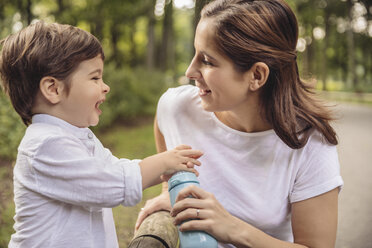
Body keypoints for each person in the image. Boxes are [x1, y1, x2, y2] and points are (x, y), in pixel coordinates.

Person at [135, 0, 344, 247]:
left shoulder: (310, 144)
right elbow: (163, 124)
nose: (190, 71)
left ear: (256, 75)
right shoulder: (176, 107)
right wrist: (168, 190)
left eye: (207, 61)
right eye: (195, 54)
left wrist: (233, 228)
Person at [0, 21, 203, 248]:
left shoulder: (77, 135)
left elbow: (113, 168)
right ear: (53, 89)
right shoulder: (44, 145)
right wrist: (163, 162)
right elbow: (112, 182)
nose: (105, 87)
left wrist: (162, 172)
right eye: (95, 78)